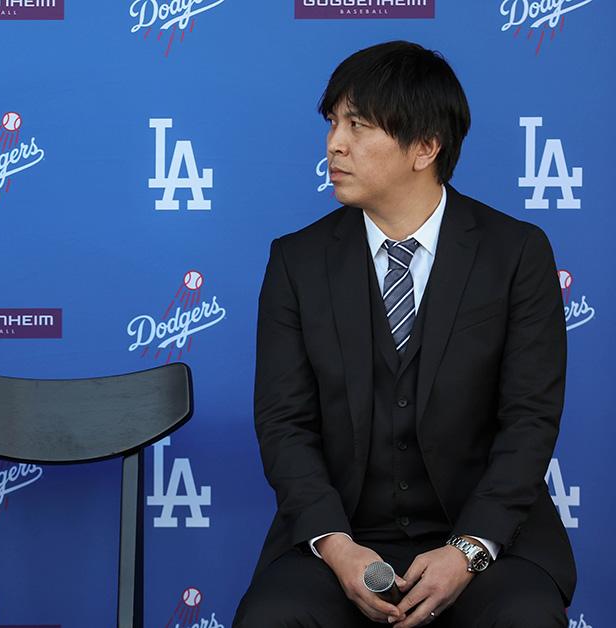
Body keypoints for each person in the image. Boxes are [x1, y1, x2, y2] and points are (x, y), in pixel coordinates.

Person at [233, 41, 574, 627]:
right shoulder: (297, 261)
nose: (334, 144)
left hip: (487, 541)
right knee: (272, 617)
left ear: (425, 147)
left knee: (526, 618)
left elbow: (529, 421)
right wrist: (337, 548)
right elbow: (284, 424)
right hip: (342, 539)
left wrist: (468, 551)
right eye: (334, 123)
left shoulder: (516, 254)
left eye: (358, 125)